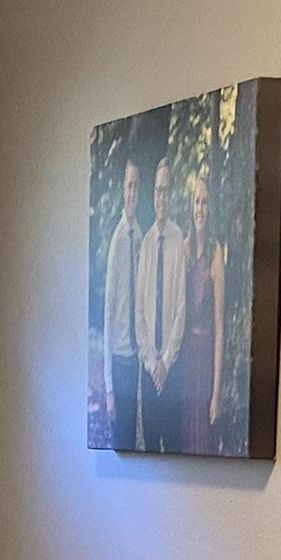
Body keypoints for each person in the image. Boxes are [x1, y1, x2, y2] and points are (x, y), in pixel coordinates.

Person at [169, 153, 227, 453]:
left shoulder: (216, 254)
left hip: (205, 362)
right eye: (196, 202)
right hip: (183, 361)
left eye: (205, 202)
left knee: (201, 440)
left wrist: (216, 392)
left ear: (211, 208)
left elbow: (219, 327)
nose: (200, 209)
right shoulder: (183, 248)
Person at [134, 156, 189, 451]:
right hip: (149, 366)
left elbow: (182, 307)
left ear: (172, 195)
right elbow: (139, 312)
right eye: (157, 190)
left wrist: (166, 362)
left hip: (172, 368)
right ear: (152, 194)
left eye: (166, 191)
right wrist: (151, 361)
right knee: (150, 455)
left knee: (174, 449)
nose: (161, 197)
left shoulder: (178, 240)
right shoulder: (145, 245)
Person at [101, 157, 146, 448]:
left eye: (136, 187)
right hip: (118, 360)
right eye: (128, 186)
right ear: (122, 189)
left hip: (135, 358)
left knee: (134, 438)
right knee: (121, 442)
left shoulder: (141, 236)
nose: (132, 193)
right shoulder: (118, 241)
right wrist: (108, 388)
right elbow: (108, 311)